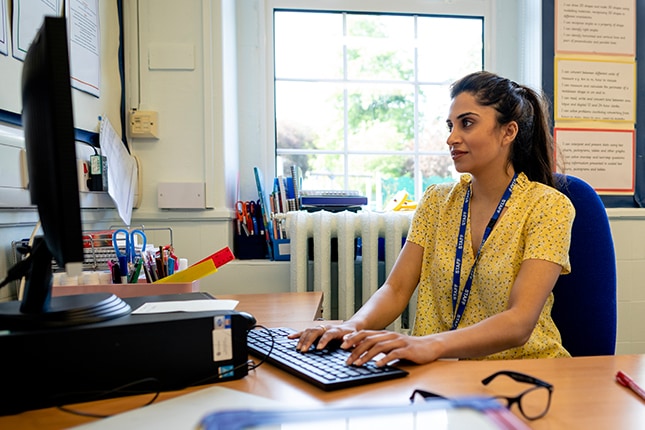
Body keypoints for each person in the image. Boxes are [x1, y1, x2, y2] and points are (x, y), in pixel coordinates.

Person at [289, 71, 575, 366]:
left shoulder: (548, 207)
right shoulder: (437, 201)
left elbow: (520, 322)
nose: (452, 138)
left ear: (508, 132)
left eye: (467, 123)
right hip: (441, 372)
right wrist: (351, 326)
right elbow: (396, 289)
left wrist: (429, 344)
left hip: (523, 373)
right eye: (450, 126)